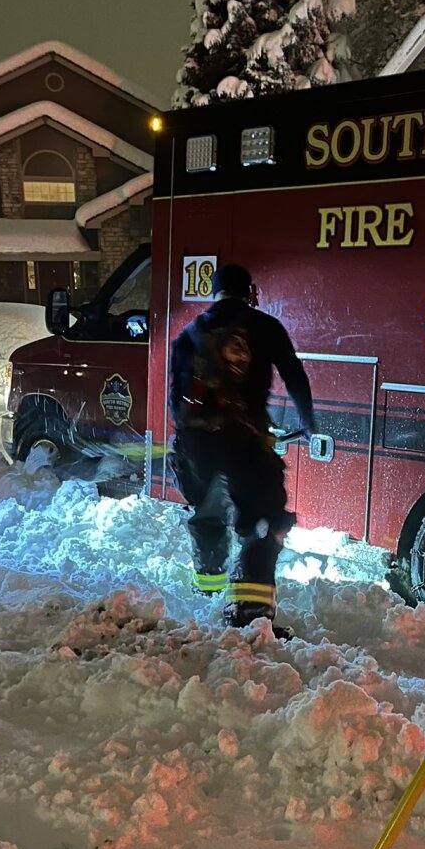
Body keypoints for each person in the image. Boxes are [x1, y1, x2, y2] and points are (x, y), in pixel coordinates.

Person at [169, 263, 315, 629]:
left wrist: (191, 443)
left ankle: (207, 591)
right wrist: (308, 422)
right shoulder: (265, 328)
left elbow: (175, 401)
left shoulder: (189, 334)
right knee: (263, 521)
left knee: (208, 516)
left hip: (197, 449)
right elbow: (294, 374)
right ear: (249, 293)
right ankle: (249, 612)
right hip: (246, 446)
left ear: (213, 292)